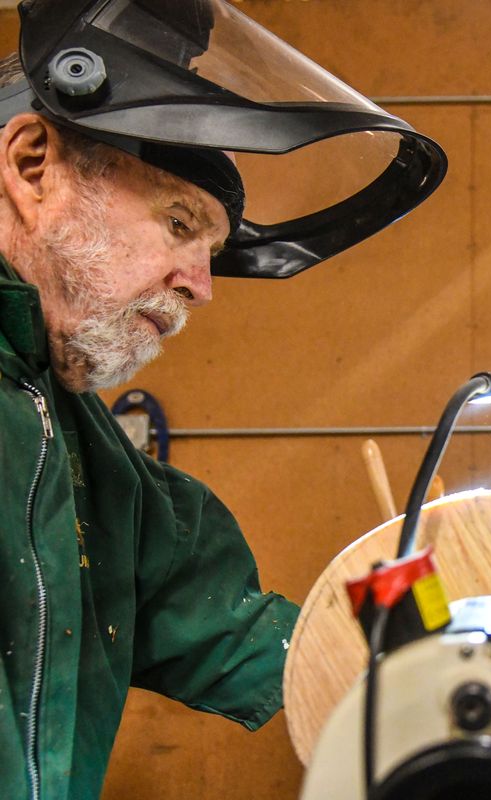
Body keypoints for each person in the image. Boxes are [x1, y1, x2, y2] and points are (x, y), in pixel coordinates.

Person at [0, 2, 445, 799]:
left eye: (209, 252)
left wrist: (426, 641)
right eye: (180, 223)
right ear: (34, 166)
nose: (201, 288)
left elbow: (229, 626)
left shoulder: (70, 434)